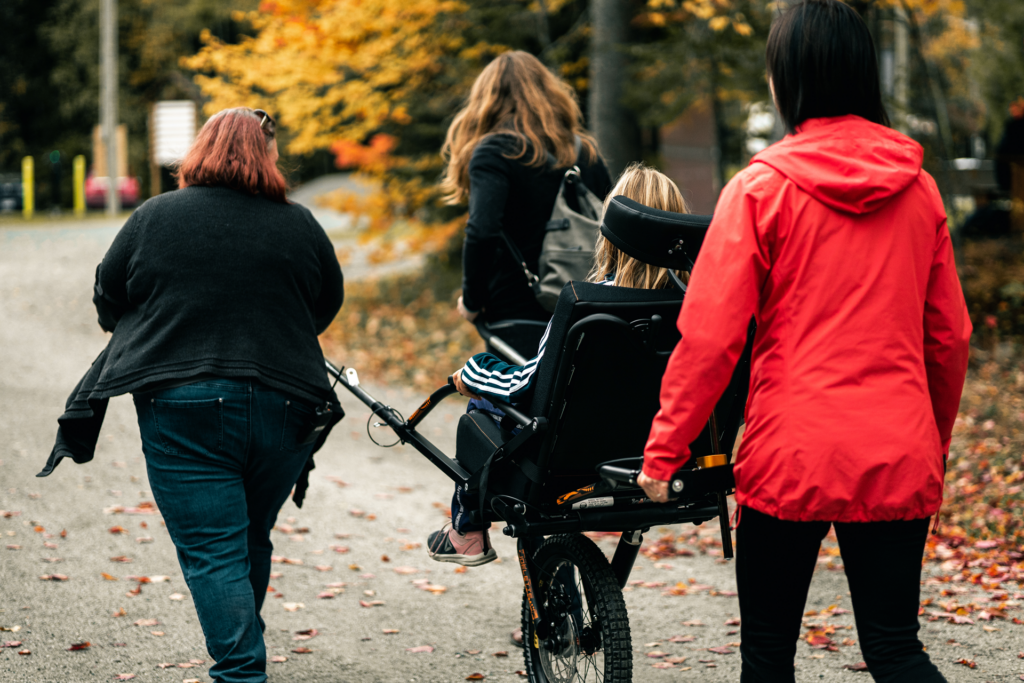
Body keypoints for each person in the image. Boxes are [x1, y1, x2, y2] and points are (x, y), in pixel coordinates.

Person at [638, 2, 970, 682]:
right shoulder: (922, 189)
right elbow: (950, 336)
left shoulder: (758, 190)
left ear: (787, 77)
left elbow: (708, 338)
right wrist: (926, 440)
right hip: (895, 446)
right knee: (896, 648)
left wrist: (665, 450)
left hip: (791, 455)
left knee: (767, 657)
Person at [86, 108, 342, 683]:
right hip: (287, 403)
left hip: (182, 405)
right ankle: (242, 647)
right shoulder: (299, 224)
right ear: (266, 157)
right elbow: (323, 306)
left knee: (213, 549)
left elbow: (108, 295)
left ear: (200, 152)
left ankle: (241, 671)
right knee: (249, 534)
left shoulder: (154, 217)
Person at [428, 163, 690, 567]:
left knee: (482, 406)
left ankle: (467, 531)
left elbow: (524, 386)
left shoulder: (585, 304)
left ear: (610, 229)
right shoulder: (696, 305)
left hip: (571, 462)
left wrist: (474, 372)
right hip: (657, 455)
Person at [441, 50, 613, 354]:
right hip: (586, 309)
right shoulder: (585, 152)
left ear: (487, 101)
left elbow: (482, 230)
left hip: (517, 313)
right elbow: (613, 228)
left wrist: (471, 299)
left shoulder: (494, 152)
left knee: (508, 399)